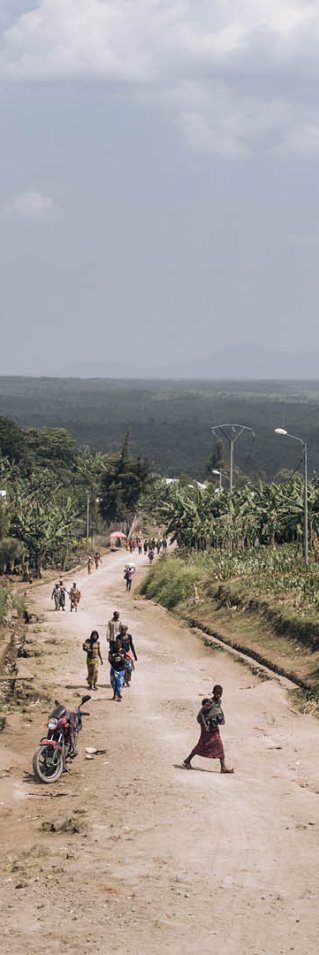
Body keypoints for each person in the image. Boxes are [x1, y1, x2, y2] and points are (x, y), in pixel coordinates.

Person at [183, 685, 234, 774]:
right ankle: (188, 760)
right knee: (202, 744)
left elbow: (216, 711)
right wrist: (205, 726)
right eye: (216, 693)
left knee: (219, 745)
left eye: (220, 693)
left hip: (214, 727)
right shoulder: (210, 702)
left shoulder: (219, 702)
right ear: (213, 692)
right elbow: (201, 713)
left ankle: (223, 767)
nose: (218, 695)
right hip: (207, 727)